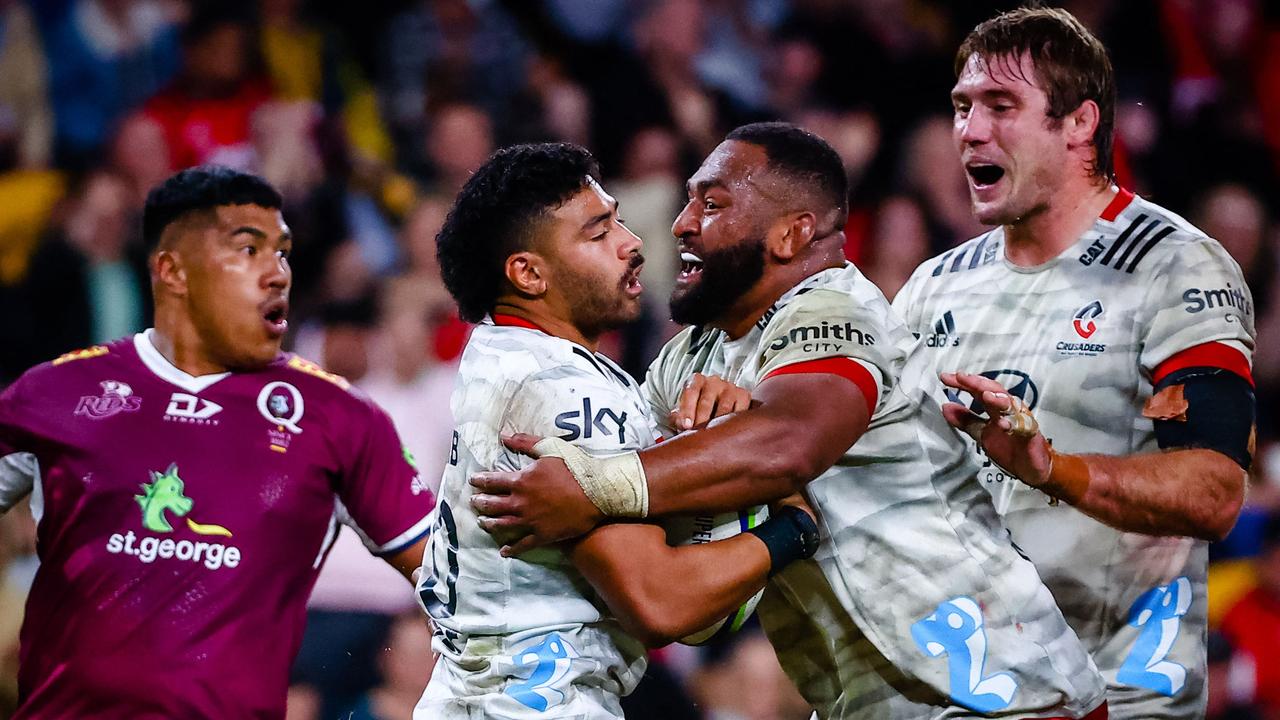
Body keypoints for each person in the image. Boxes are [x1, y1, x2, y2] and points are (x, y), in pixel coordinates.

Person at [468, 123, 1107, 719]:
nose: (681, 225)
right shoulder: (689, 358)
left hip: (1010, 694)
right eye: (689, 202)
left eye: (712, 205)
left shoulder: (835, 309)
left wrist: (596, 486)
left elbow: (789, 444)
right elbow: (677, 587)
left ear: (791, 236)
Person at [889, 8, 1256, 719]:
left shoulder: (1172, 266)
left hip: (1119, 695)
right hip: (967, 693)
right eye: (963, 108)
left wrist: (1051, 468)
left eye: (1001, 106)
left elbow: (1215, 490)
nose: (970, 130)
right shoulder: (932, 288)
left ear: (1079, 124)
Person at [0, 166, 434, 719]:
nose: (277, 273)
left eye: (282, 253)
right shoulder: (55, 392)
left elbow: (452, 578)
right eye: (249, 250)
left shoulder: (340, 417)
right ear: (172, 270)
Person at [418, 142, 820, 719]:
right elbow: (663, 603)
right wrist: (794, 529)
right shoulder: (559, 388)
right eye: (597, 232)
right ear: (529, 273)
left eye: (620, 220)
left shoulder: (511, 355)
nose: (631, 245)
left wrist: (719, 437)